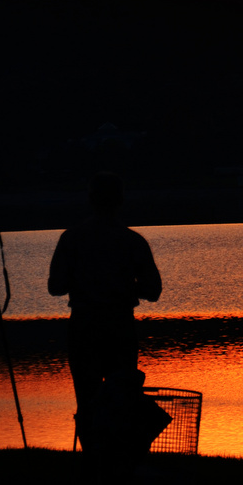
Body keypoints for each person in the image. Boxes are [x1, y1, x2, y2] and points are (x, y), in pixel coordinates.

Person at [48, 173, 163, 431]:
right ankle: (119, 460)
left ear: (90, 200)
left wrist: (84, 281)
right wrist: (122, 284)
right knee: (120, 399)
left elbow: (55, 287)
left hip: (84, 326)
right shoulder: (133, 241)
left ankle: (92, 460)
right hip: (120, 327)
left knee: (87, 399)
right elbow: (153, 291)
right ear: (121, 201)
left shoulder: (71, 238)